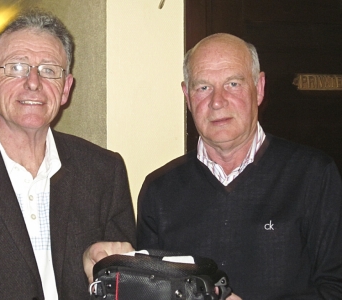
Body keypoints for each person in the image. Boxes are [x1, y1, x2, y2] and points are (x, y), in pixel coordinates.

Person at [0, 9, 135, 300]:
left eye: (49, 70)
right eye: (16, 67)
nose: (33, 82)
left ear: (66, 89)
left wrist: (107, 273)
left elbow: (128, 287)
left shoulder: (106, 171)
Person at [136, 33, 342, 299]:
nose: (217, 101)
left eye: (233, 84)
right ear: (187, 96)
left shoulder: (314, 175)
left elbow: (336, 287)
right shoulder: (159, 191)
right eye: (203, 87)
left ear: (260, 87)